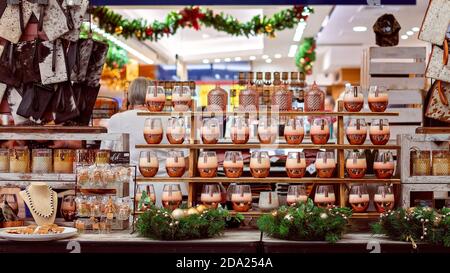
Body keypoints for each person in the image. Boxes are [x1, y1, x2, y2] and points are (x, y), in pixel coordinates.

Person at [101, 77, 188, 206]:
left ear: (129, 96)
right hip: (170, 192)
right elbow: (186, 161)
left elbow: (104, 158)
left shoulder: (116, 120)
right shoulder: (171, 119)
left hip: (132, 191)